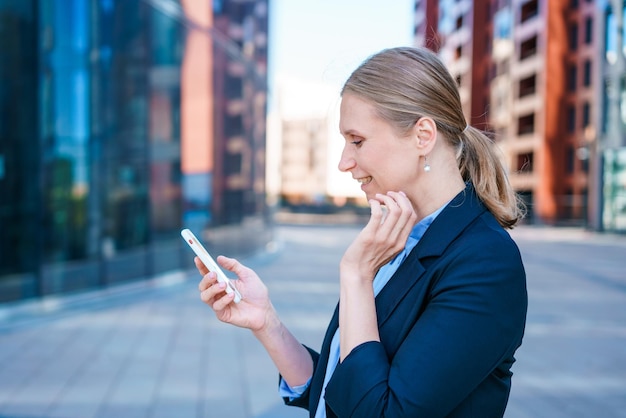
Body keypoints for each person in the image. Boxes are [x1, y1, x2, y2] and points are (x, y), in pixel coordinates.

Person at [194, 46, 528, 418]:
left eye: (357, 140)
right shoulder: (400, 239)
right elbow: (344, 386)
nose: (343, 162)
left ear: (423, 136)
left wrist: (356, 275)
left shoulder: (484, 263)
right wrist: (266, 322)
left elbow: (380, 411)